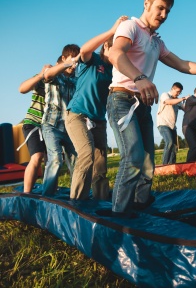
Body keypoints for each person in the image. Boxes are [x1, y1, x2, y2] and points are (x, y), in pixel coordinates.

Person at [107, 0, 196, 217]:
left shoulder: (156, 42)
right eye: (160, 8)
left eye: (168, 11)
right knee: (132, 157)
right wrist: (140, 78)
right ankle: (119, 214)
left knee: (147, 164)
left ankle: (141, 205)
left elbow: (183, 64)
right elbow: (115, 54)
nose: (163, 15)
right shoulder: (131, 27)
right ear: (146, 4)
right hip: (122, 99)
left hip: (143, 105)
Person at [65, 16, 128, 201]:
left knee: (100, 163)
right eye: (114, 48)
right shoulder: (92, 61)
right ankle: (77, 204)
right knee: (86, 155)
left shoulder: (115, 71)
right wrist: (112, 30)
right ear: (107, 47)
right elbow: (84, 49)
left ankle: (100, 203)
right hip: (77, 115)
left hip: (98, 120)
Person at [42, 44, 80, 196]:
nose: (74, 64)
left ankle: (76, 195)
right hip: (51, 125)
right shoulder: (54, 75)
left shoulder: (76, 80)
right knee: (56, 158)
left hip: (69, 127)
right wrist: (66, 64)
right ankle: (47, 196)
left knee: (77, 161)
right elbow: (47, 75)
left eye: (77, 60)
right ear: (64, 58)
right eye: (72, 59)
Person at [18, 64, 51, 193]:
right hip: (33, 123)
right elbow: (22, 89)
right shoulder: (40, 81)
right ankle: (27, 193)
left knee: (52, 160)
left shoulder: (60, 84)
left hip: (49, 126)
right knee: (37, 156)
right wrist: (40, 75)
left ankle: (49, 190)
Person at [156, 82, 189, 164]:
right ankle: (164, 165)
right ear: (172, 89)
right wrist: (183, 98)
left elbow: (186, 109)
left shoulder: (177, 100)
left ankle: (172, 166)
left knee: (174, 146)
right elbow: (169, 102)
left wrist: (191, 101)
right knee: (169, 142)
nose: (178, 94)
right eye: (177, 92)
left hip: (172, 126)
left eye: (180, 92)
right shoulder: (165, 95)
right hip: (163, 124)